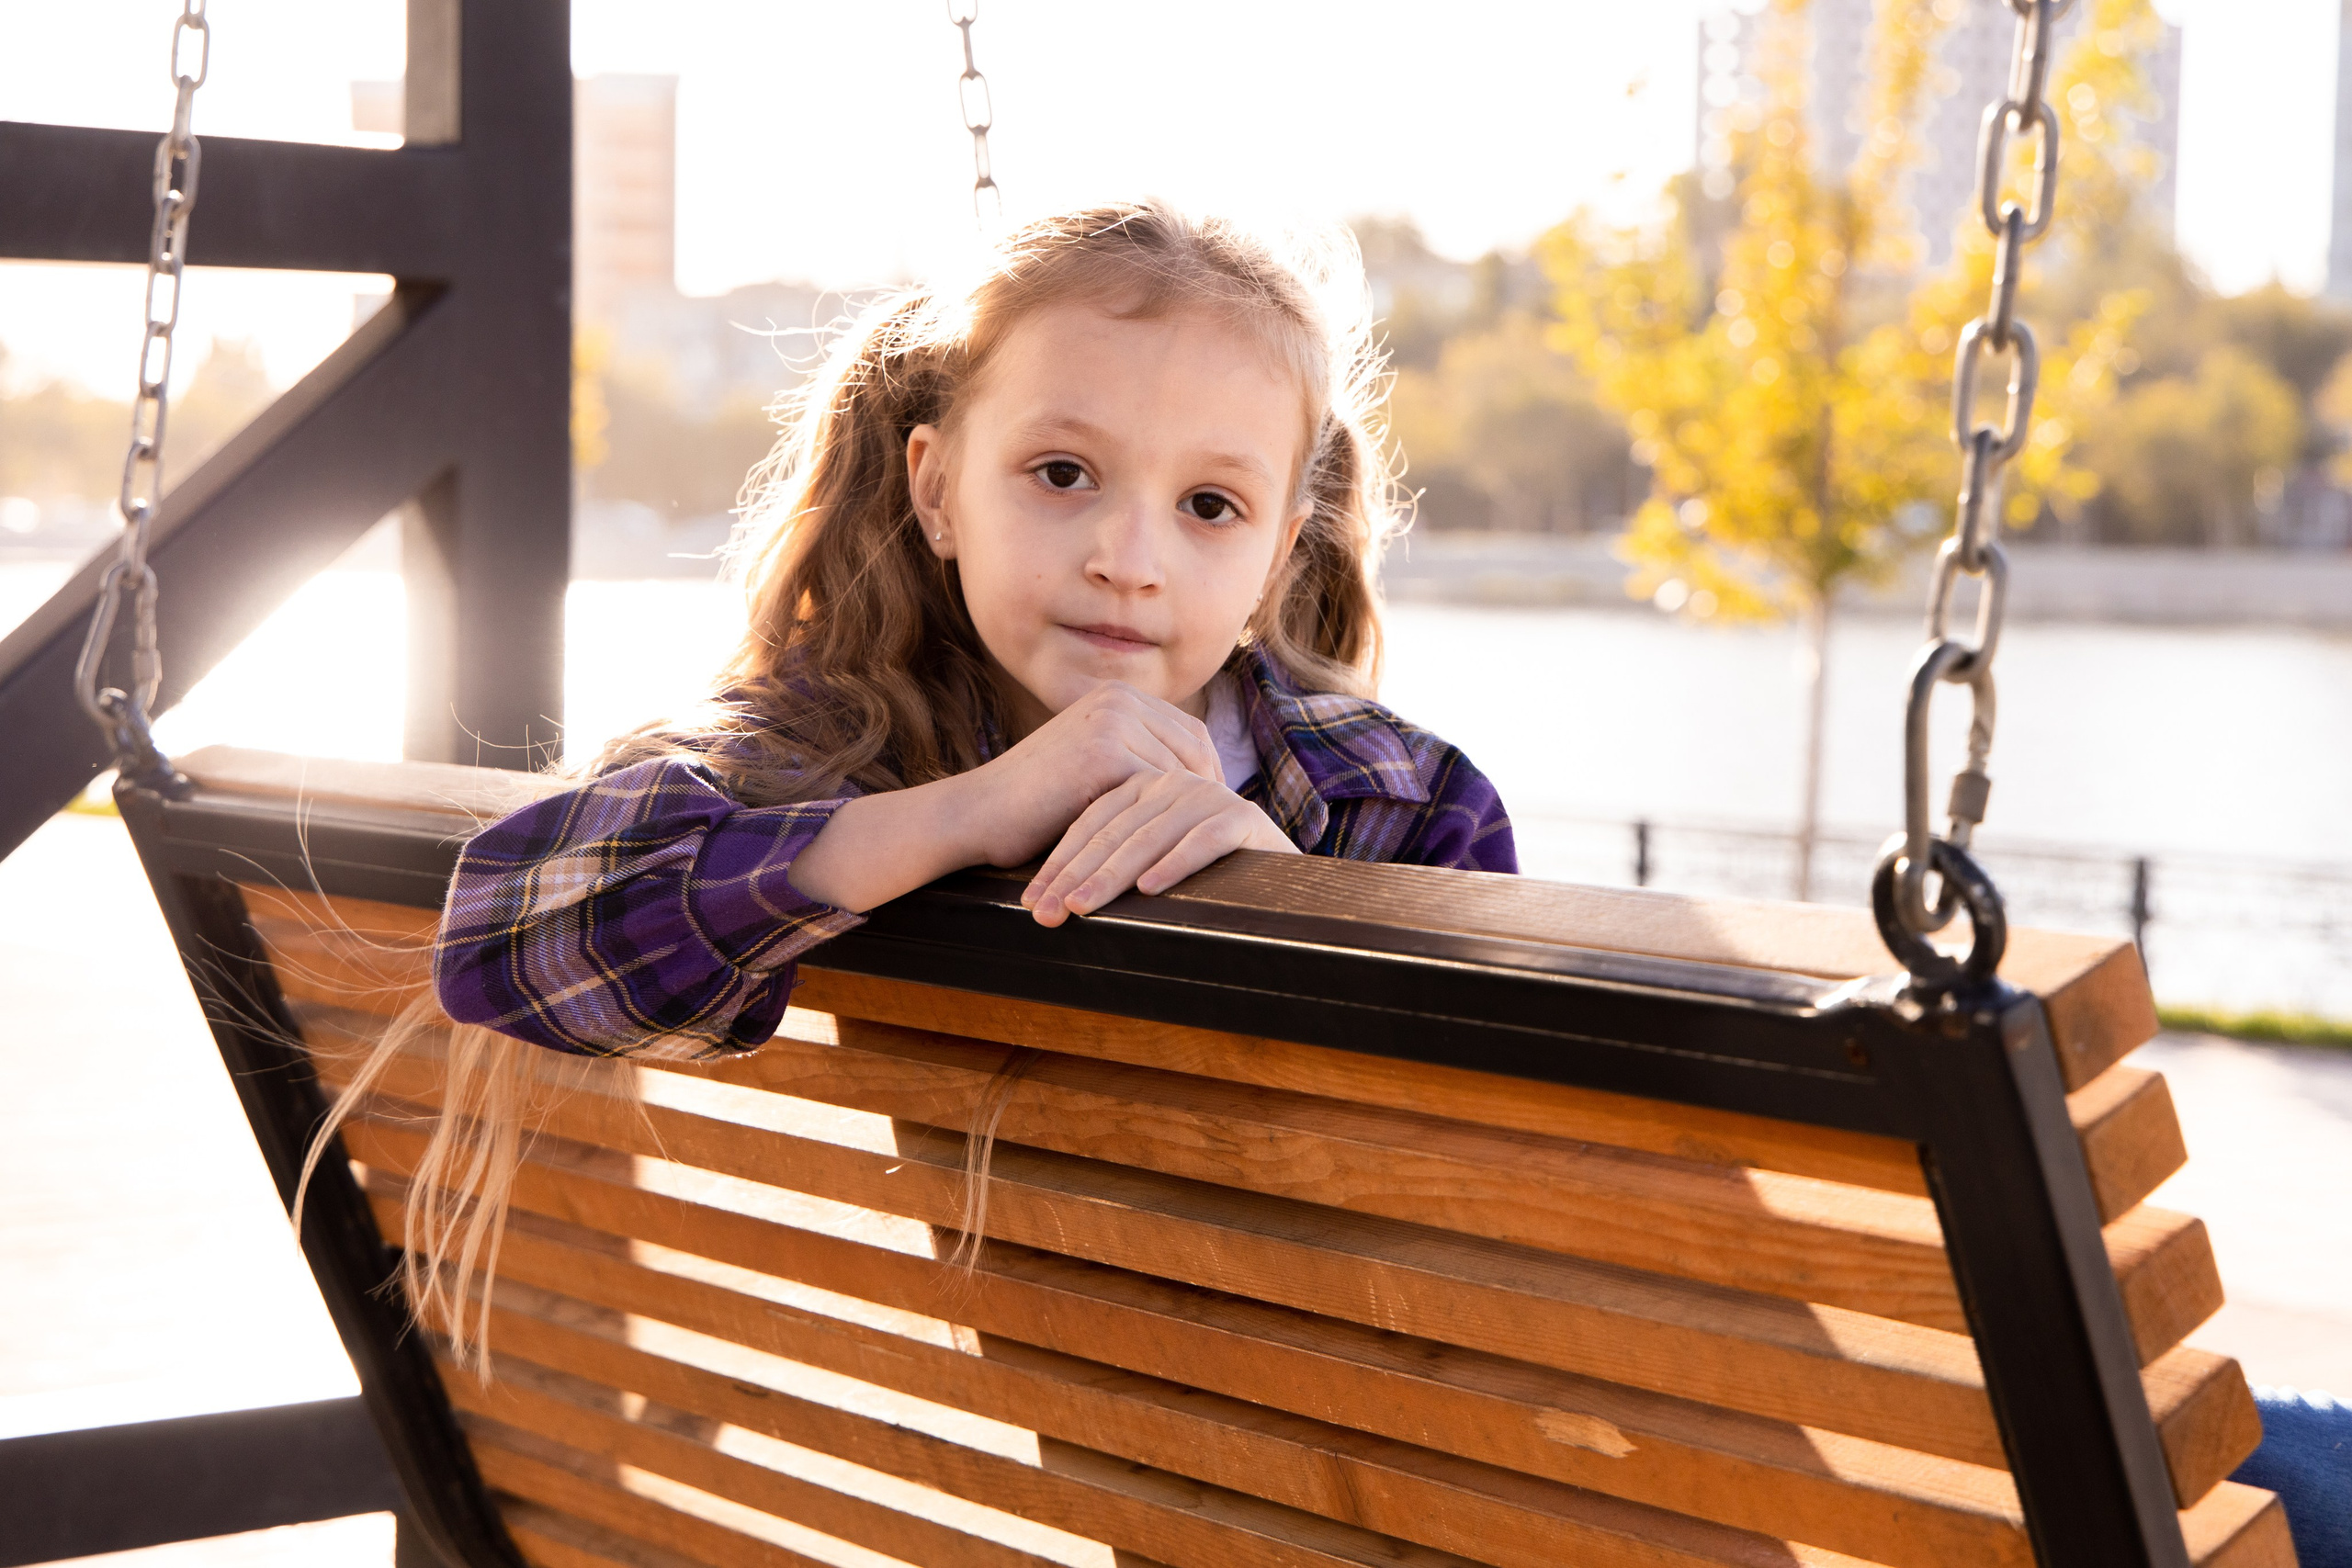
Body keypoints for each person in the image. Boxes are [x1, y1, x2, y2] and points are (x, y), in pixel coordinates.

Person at [308, 200, 1514, 1363]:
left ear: (1275, 556)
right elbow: (502, 935)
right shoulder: (828, 748)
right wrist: (965, 815)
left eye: (1209, 506)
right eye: (1061, 473)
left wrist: (1274, 901)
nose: (1127, 561)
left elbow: (1491, 1212)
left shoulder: (1412, 809)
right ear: (936, 489)